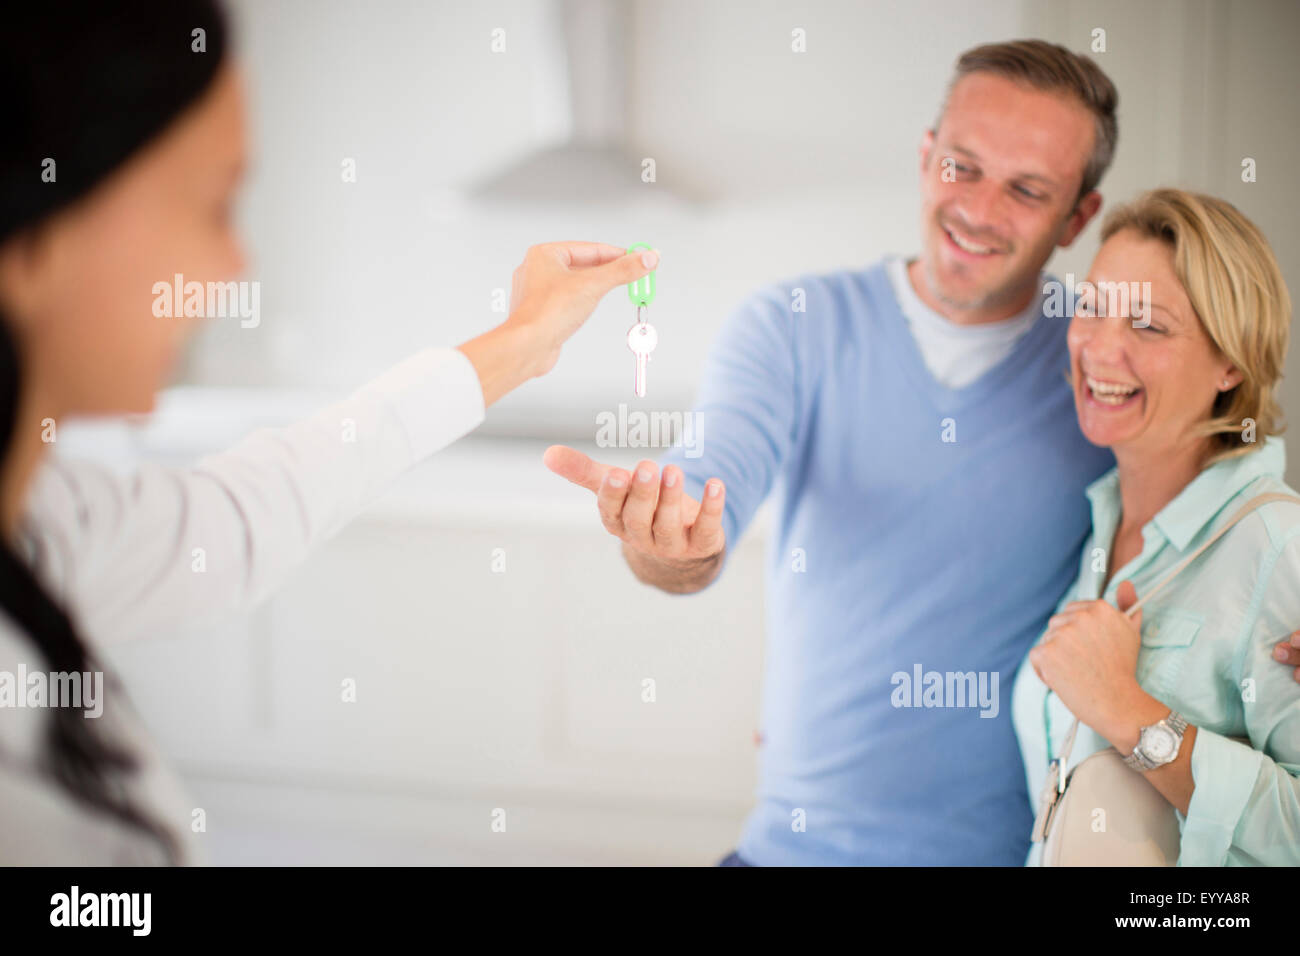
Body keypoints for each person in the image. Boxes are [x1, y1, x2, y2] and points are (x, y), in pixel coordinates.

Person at [545, 41, 1300, 864]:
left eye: (1027, 189)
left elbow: (1233, 507)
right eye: (962, 167)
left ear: (1077, 217)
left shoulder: (1099, 377)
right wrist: (669, 539)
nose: (978, 208)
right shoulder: (795, 324)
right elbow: (703, 495)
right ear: (925, 156)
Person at [0, 3, 655, 863]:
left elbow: (242, 516)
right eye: (214, 203)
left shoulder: (47, 523)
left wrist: (522, 343)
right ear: (35, 237)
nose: (238, 265)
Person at [1012, 189, 1300, 866]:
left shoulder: (1277, 547)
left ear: (1232, 361)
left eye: (1148, 325)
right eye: (1093, 308)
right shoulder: (1097, 526)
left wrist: (1130, 713)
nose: (1101, 350)